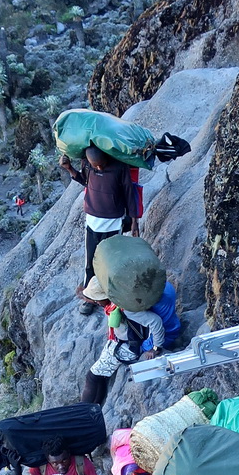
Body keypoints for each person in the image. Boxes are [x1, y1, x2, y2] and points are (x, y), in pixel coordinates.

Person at [79, 276, 181, 406]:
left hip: (131, 346)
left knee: (92, 377)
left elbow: (155, 322)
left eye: (97, 299)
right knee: (100, 376)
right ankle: (94, 408)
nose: (96, 302)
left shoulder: (127, 308)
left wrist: (156, 348)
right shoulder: (124, 296)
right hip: (153, 331)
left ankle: (83, 411)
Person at [60, 144, 137, 313]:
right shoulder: (87, 164)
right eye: (96, 165)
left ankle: (111, 295)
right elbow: (84, 181)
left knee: (111, 261)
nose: (99, 167)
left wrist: (134, 221)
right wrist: (69, 169)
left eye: (101, 164)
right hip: (93, 222)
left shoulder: (119, 167)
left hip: (113, 222)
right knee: (90, 263)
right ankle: (90, 296)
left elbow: (129, 192)